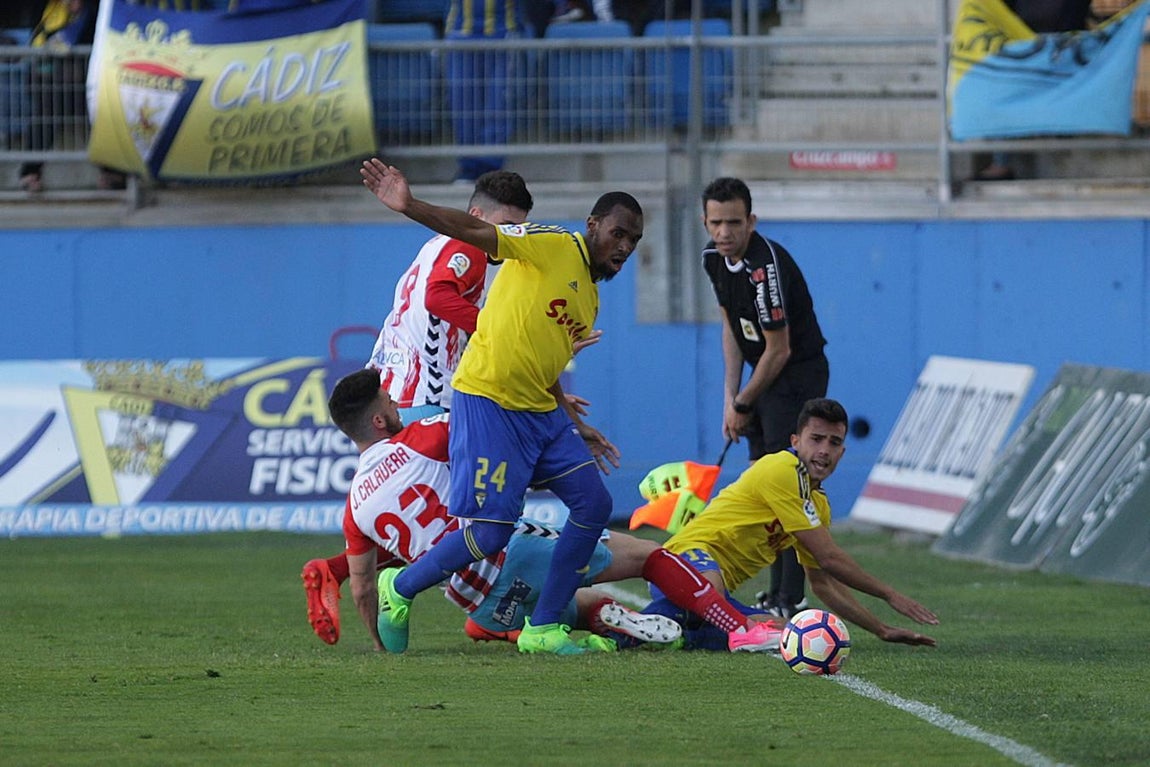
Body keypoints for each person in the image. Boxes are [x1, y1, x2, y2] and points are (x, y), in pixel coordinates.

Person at [360, 158, 776, 656]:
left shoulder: (588, 300)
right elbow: (475, 230)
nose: (625, 247)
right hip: (489, 401)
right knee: (491, 532)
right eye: (618, 234)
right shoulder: (550, 244)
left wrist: (576, 422)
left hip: (540, 413)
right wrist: (409, 205)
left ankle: (542, 628)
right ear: (592, 225)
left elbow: (545, 361)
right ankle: (400, 586)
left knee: (594, 504)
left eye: (634, 240)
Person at [327, 368, 780, 653]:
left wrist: (382, 648)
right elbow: (500, 442)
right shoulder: (421, 438)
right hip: (513, 556)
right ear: (379, 420)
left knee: (572, 604)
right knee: (649, 556)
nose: (398, 405)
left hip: (477, 603)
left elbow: (363, 588)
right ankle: (739, 628)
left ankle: (606, 626)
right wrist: (565, 432)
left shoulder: (355, 507)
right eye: (390, 402)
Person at [301, 170, 533, 644]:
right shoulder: (468, 245)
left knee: (433, 518)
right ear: (476, 215)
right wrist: (500, 337)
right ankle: (501, 610)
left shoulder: (434, 244)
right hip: (424, 396)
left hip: (398, 387)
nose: (510, 236)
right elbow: (438, 297)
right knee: (466, 511)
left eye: (519, 227)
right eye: (505, 224)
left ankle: (335, 570)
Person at [654, 397, 939, 649]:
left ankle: (673, 630)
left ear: (842, 452)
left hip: (715, 594)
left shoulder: (818, 505)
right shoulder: (781, 469)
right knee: (715, 599)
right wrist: (889, 595)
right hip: (684, 559)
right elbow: (829, 558)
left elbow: (822, 583)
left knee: (786, 633)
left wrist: (881, 629)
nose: (824, 450)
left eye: (834, 442)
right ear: (795, 441)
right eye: (816, 439)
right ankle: (674, 623)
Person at [700, 176, 829, 621]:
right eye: (716, 223)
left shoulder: (765, 266)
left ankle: (790, 596)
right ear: (705, 222)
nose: (724, 232)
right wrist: (730, 397)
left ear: (751, 221)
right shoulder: (713, 259)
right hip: (761, 377)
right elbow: (731, 329)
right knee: (761, 482)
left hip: (794, 375)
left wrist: (744, 404)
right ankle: (775, 593)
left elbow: (780, 350)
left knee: (784, 484)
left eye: (734, 222)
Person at [443, 0, 516, 182]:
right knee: (463, 104)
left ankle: (491, 168)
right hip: (461, 38)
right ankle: (469, 167)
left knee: (497, 104)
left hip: (501, 36)